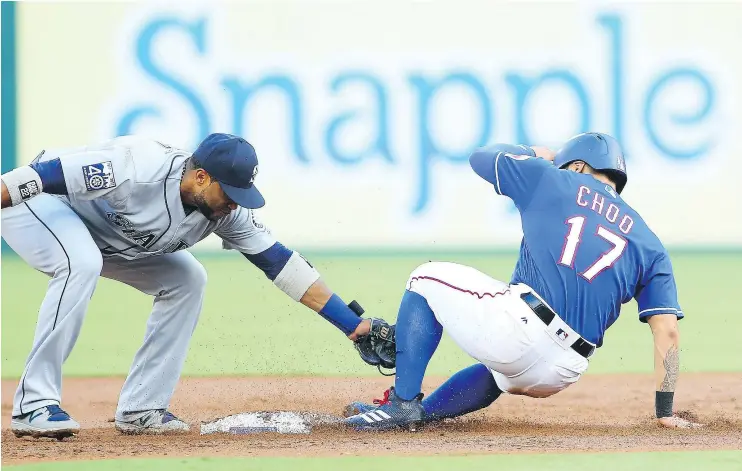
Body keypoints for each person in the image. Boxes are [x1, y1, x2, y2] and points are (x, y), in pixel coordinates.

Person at [1, 133, 392, 438]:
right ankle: (34, 404)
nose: (235, 205)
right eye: (231, 193)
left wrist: (352, 325)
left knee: (187, 278)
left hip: (107, 237)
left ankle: (142, 409)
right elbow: (39, 177)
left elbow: (281, 264)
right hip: (42, 206)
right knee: (80, 262)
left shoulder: (224, 213)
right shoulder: (135, 168)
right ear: (201, 177)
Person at [343, 132, 703, 431]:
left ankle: (403, 403)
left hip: (520, 331)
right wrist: (665, 411)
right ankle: (421, 416)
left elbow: (481, 158)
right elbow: (667, 332)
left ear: (577, 166)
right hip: (562, 372)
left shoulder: (555, 178)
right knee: (500, 372)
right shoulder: (650, 244)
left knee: (423, 278)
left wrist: (537, 154)